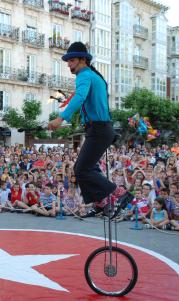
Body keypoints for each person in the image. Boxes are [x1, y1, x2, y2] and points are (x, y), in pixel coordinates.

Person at [47, 42, 133, 218]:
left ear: (82, 60)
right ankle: (101, 202)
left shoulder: (84, 75)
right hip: (100, 129)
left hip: (99, 129)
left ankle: (120, 193)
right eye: (68, 61)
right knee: (86, 168)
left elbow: (79, 97)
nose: (69, 64)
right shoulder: (94, 76)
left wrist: (60, 117)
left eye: (71, 60)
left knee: (81, 170)